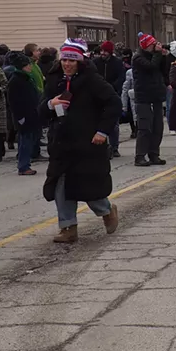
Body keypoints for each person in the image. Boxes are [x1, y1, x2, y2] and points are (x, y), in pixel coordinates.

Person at [39, 40, 119, 243]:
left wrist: (102, 131)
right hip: (61, 142)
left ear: (80, 61)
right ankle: (68, 227)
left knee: (88, 188)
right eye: (64, 59)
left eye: (72, 60)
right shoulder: (54, 79)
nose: (67, 64)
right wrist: (51, 104)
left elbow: (113, 103)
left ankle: (107, 211)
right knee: (61, 186)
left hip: (87, 142)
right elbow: (40, 110)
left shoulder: (92, 80)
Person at [132, 32, 167, 166]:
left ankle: (154, 154)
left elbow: (163, 70)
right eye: (153, 44)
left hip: (156, 96)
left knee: (158, 126)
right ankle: (140, 155)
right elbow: (151, 67)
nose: (155, 46)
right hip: (143, 97)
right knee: (145, 127)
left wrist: (163, 56)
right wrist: (158, 54)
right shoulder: (138, 58)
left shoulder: (155, 57)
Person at [7, 52, 41, 176]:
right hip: (24, 116)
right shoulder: (16, 80)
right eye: (27, 65)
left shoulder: (26, 78)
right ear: (22, 66)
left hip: (31, 113)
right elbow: (13, 101)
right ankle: (23, 165)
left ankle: (25, 164)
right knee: (25, 141)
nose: (30, 67)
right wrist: (20, 117)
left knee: (28, 140)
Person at [91, 40, 126, 157]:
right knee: (99, 121)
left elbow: (121, 77)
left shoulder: (117, 63)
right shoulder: (95, 63)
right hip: (98, 95)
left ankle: (114, 146)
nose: (102, 53)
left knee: (114, 123)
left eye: (105, 51)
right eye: (101, 51)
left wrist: (112, 87)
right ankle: (103, 146)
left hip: (113, 94)